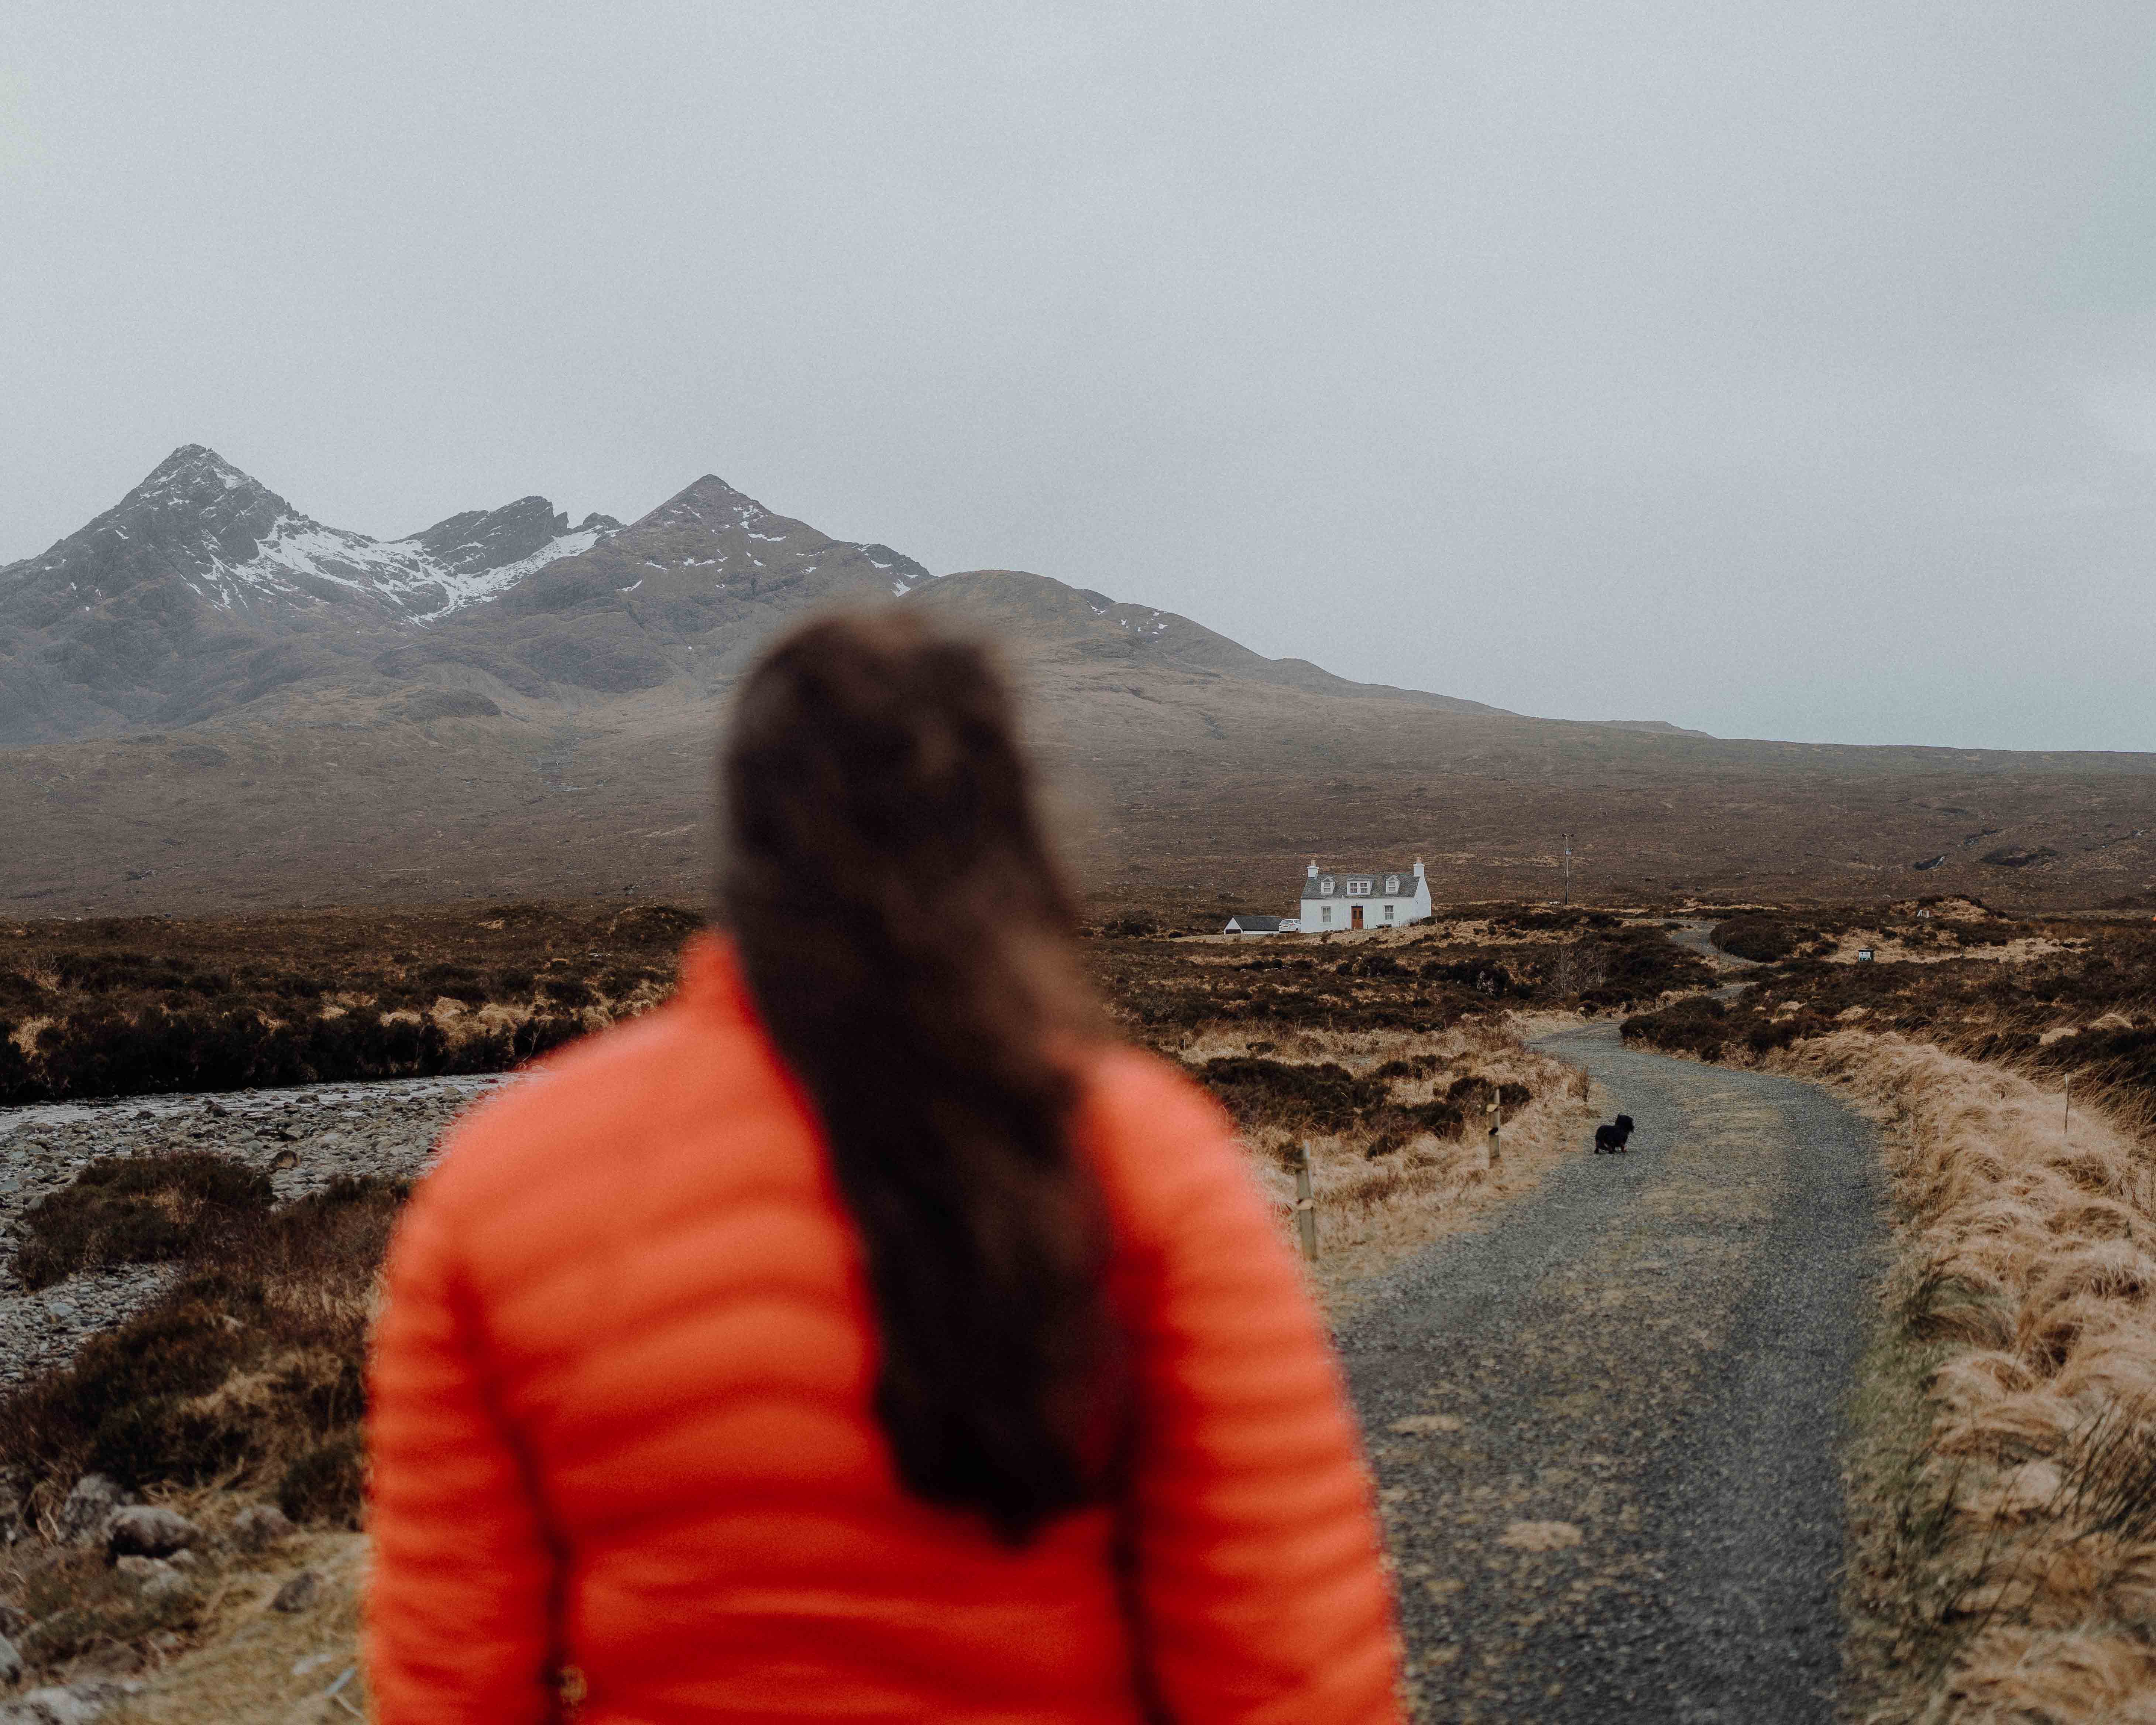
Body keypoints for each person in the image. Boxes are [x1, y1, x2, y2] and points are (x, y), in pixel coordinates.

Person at [364, 611, 1401, 1723]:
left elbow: (451, 1685)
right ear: (1008, 842)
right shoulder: (1143, 1155)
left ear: (746, 846)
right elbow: (1284, 1667)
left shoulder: (501, 1177)